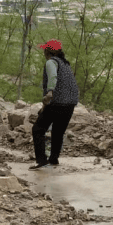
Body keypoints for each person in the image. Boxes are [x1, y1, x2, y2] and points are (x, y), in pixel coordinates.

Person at [31, 39, 80, 169]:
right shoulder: (65, 64)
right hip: (70, 103)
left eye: (44, 49)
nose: (43, 52)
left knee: (38, 129)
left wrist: (50, 92)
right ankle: (54, 159)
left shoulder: (51, 62)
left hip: (57, 101)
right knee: (58, 132)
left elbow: (52, 77)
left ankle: (41, 160)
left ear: (48, 51)